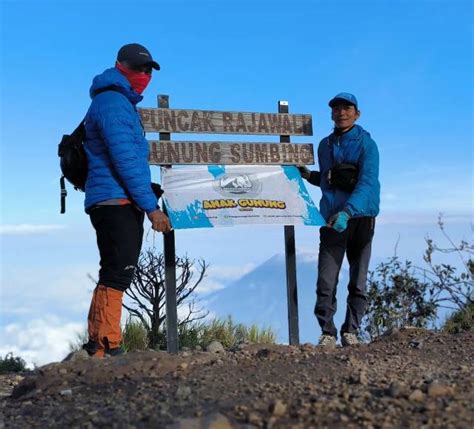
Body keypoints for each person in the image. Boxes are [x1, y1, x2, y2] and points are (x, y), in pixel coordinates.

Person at [82, 43, 171, 358]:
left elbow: (127, 160)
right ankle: (108, 344)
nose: (144, 74)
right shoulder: (113, 103)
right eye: (137, 68)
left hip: (113, 198)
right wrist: (151, 207)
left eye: (148, 70)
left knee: (114, 270)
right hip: (114, 200)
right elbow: (126, 161)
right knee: (119, 271)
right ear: (119, 64)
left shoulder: (117, 102)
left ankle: (98, 345)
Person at [299, 92, 380, 347]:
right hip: (332, 220)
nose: (341, 113)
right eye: (336, 109)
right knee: (326, 279)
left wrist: (348, 212)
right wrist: (309, 175)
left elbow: (367, 183)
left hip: (360, 218)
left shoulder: (367, 145)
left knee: (358, 280)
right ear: (332, 114)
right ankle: (327, 332)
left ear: (357, 114)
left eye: (347, 108)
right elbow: (329, 179)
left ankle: (351, 331)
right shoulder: (324, 145)